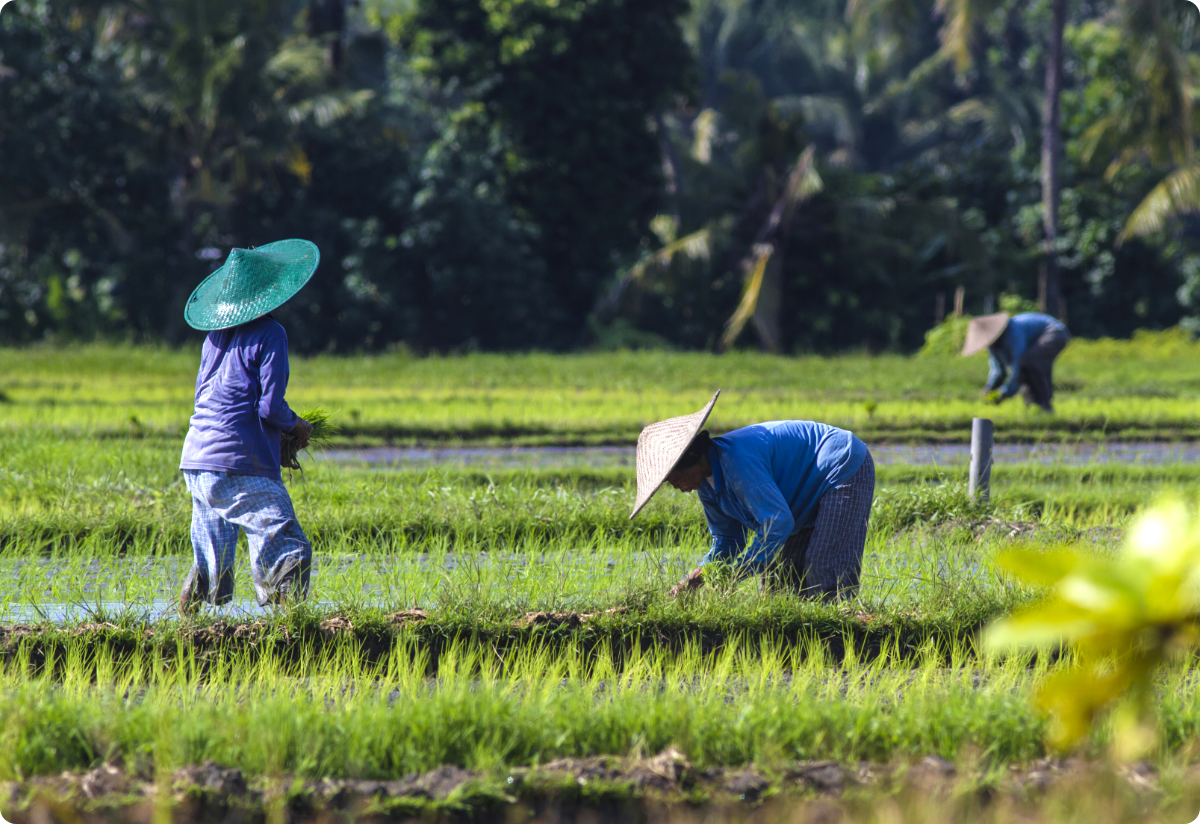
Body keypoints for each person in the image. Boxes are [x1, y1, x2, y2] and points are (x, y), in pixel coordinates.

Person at [177, 239, 320, 614]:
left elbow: (207, 396)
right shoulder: (272, 333)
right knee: (287, 545)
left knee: (211, 560)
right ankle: (293, 636)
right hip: (238, 459)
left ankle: (187, 631)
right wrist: (298, 427)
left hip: (197, 459)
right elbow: (271, 408)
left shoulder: (215, 336)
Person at [628, 392, 875, 600]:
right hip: (797, 497)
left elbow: (777, 522)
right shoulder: (706, 485)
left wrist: (739, 572)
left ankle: (840, 642)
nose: (676, 486)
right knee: (777, 589)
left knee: (824, 571)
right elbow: (727, 539)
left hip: (840, 466)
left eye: (674, 478)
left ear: (691, 458)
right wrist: (701, 574)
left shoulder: (737, 461)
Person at [963, 312, 1070, 412]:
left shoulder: (1013, 332)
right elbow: (998, 371)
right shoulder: (993, 347)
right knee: (1025, 370)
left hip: (1054, 332)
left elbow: (1018, 364)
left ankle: (1045, 406)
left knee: (1029, 363)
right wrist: (990, 388)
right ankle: (1033, 408)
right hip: (1035, 342)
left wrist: (1005, 392)